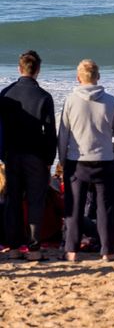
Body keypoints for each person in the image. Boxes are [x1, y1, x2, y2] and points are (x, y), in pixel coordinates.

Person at [59, 59, 114, 261]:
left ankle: (72, 251)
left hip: (77, 161)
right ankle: (108, 251)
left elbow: (63, 134)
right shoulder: (111, 101)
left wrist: (62, 160)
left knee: (74, 208)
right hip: (104, 160)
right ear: (98, 77)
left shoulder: (71, 100)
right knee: (106, 208)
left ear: (78, 78)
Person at [0, 50, 57, 260]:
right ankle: (33, 249)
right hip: (36, 156)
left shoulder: (5, 94)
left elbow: (0, 128)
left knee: (13, 200)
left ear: (19, 68)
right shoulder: (44, 97)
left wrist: (2, 154)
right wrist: (50, 159)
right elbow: (50, 132)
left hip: (12, 154)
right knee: (36, 201)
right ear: (38, 70)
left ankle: (14, 247)